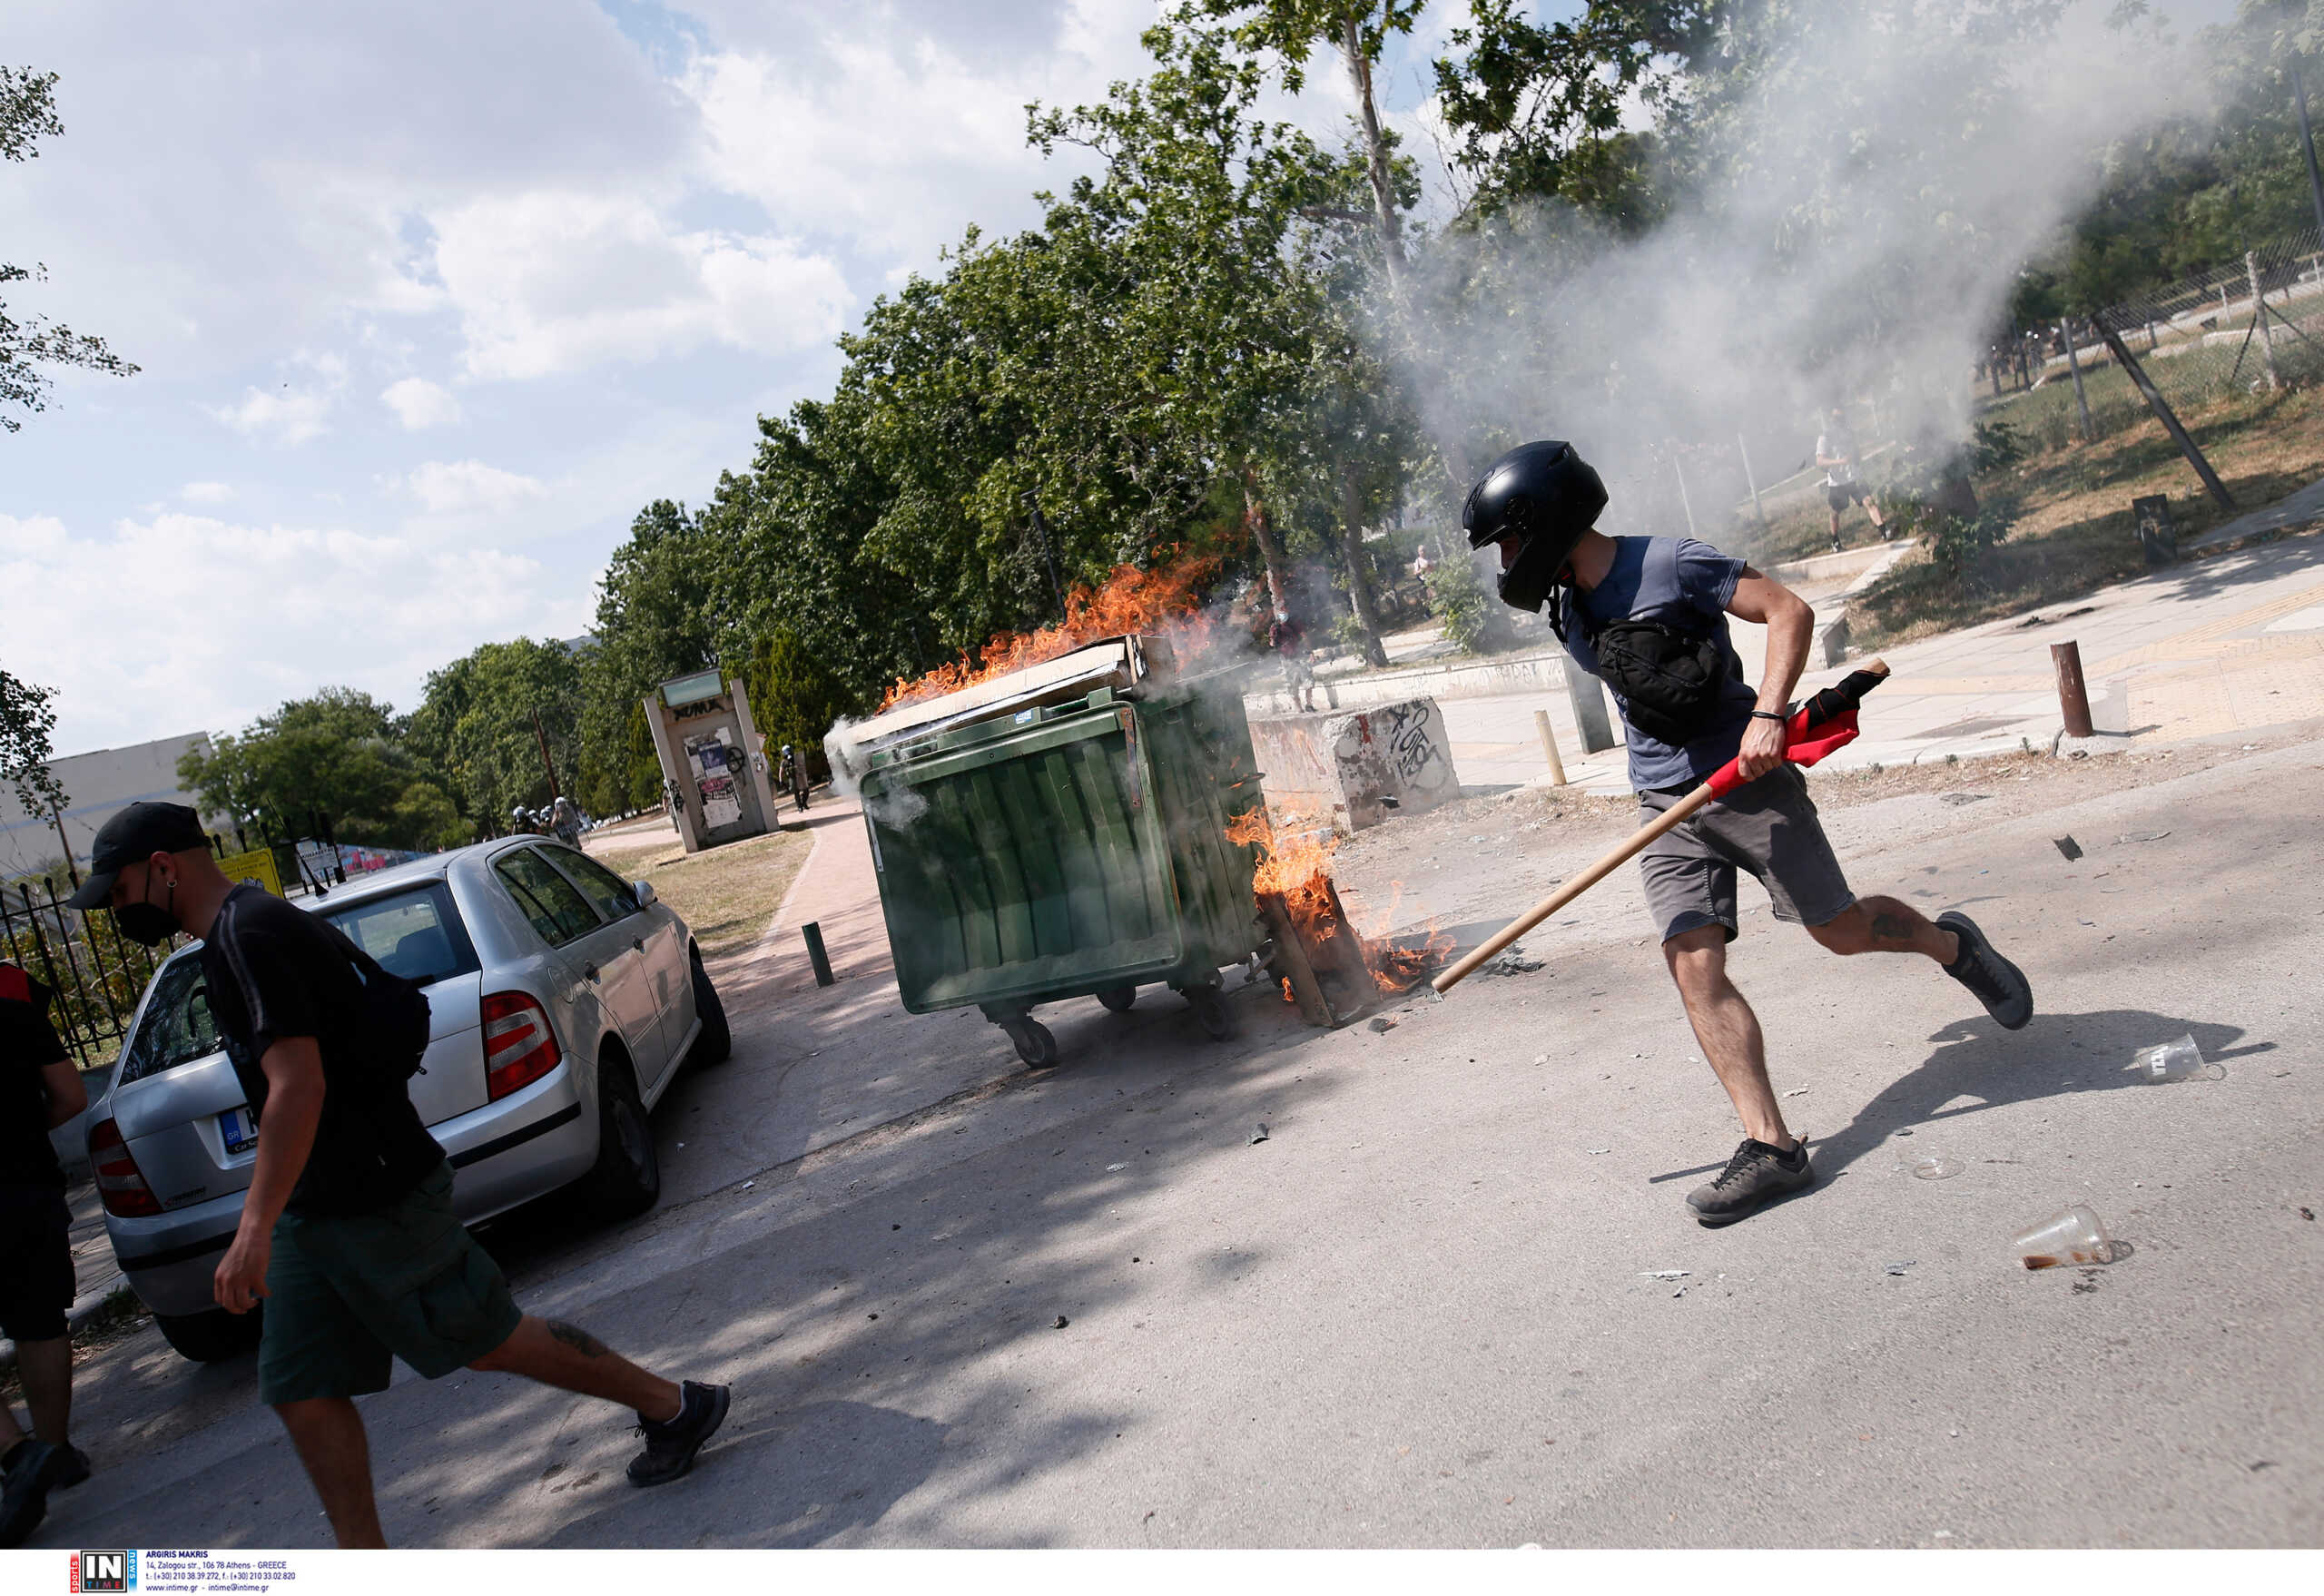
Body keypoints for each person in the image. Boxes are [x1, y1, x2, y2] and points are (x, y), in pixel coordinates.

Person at [65, 803, 731, 1547]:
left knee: (491, 1339)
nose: (115, 911)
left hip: (374, 1192)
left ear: (163, 868)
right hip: (316, 1206)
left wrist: (250, 1230)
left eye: (118, 892)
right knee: (301, 1385)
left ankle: (675, 1404)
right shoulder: (239, 932)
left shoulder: (248, 937)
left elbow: (298, 1085)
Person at [1462, 441, 2034, 1227]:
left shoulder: (1671, 563)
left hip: (1749, 782)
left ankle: (1952, 945)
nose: (1505, 560)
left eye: (1507, 540)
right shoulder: (1569, 612)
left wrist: (1768, 715)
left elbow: (1788, 611)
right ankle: (1772, 1148)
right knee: (1692, 964)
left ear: (1545, 520)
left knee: (1838, 931)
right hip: (1663, 808)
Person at [0, 960, 90, 1547]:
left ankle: (17, 1456)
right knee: (40, 1324)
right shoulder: (15, 1011)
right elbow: (70, 1096)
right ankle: (52, 1456)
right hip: (26, 1189)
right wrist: (26, 1130)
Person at [1815, 406, 1890, 552]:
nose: (1840, 422)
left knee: (1869, 501)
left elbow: (1857, 453)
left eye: (1842, 419)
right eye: (1837, 419)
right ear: (1831, 420)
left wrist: (1857, 460)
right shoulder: (1825, 438)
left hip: (1854, 477)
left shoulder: (1849, 434)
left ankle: (1884, 531)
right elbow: (1820, 461)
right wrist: (1840, 462)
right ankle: (1835, 541)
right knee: (1835, 512)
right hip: (1837, 481)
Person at [1269, 606, 1315, 714]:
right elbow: (1271, 643)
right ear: (1276, 613)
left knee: (1309, 681)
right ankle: (1299, 708)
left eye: (1284, 610)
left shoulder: (1294, 623)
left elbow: (1304, 637)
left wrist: (1310, 652)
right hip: (1287, 660)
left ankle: (1309, 705)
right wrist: (1275, 637)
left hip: (1300, 656)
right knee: (1292, 685)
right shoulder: (1275, 627)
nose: (1283, 612)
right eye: (1281, 611)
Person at [776, 744, 810, 813]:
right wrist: (781, 780)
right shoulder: (784, 762)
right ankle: (799, 807)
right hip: (792, 778)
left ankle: (803, 803)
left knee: (806, 791)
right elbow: (781, 771)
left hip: (800, 776)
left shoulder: (796, 758)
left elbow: (802, 765)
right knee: (796, 792)